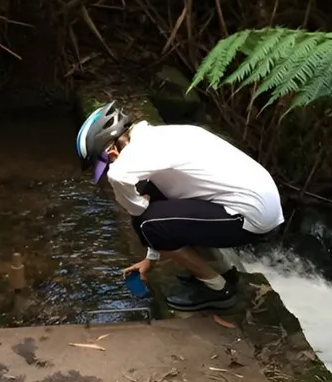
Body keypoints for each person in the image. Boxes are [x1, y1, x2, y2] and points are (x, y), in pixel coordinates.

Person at [76, 101, 284, 311]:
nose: (108, 168)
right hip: (259, 205)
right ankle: (224, 271)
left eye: (105, 162)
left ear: (112, 151)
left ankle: (218, 289)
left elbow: (137, 209)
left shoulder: (131, 160)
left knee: (148, 222)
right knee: (153, 206)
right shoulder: (159, 137)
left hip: (251, 216)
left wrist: (136, 200)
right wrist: (150, 259)